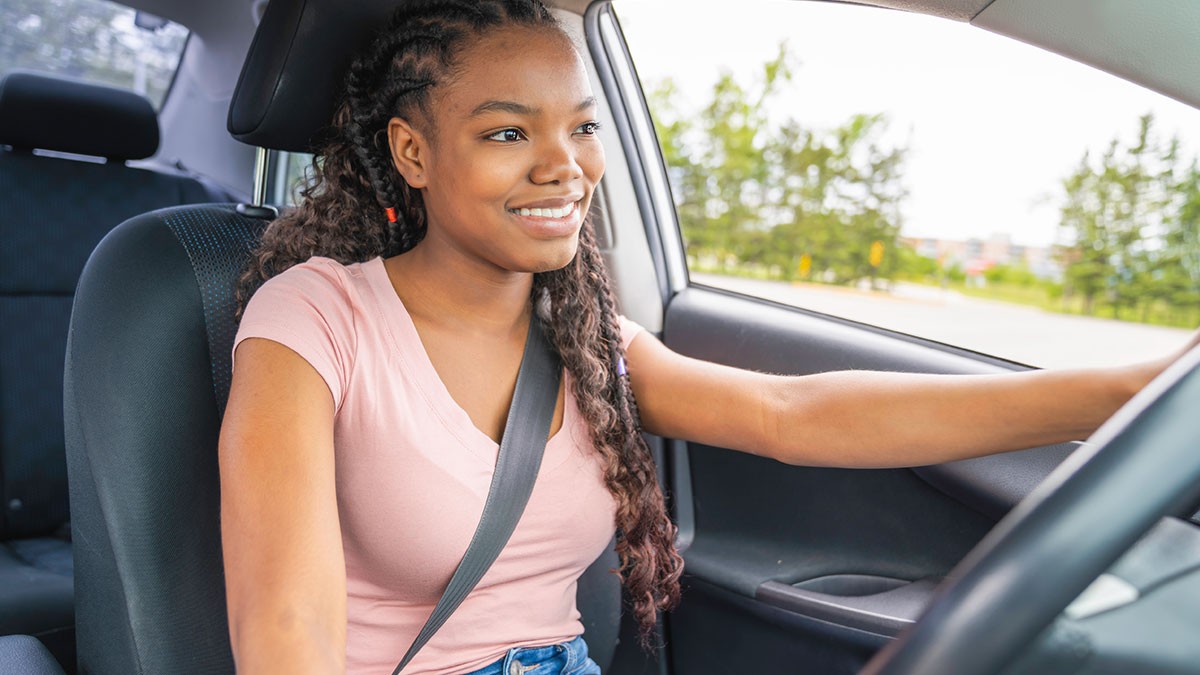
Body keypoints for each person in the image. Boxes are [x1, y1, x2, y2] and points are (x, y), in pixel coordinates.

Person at [216, 1, 1199, 673]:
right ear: (414, 152)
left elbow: (790, 412)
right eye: (509, 133)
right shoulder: (316, 316)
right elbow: (290, 632)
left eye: (583, 127)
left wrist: (1124, 392)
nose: (566, 166)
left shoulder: (580, 330)